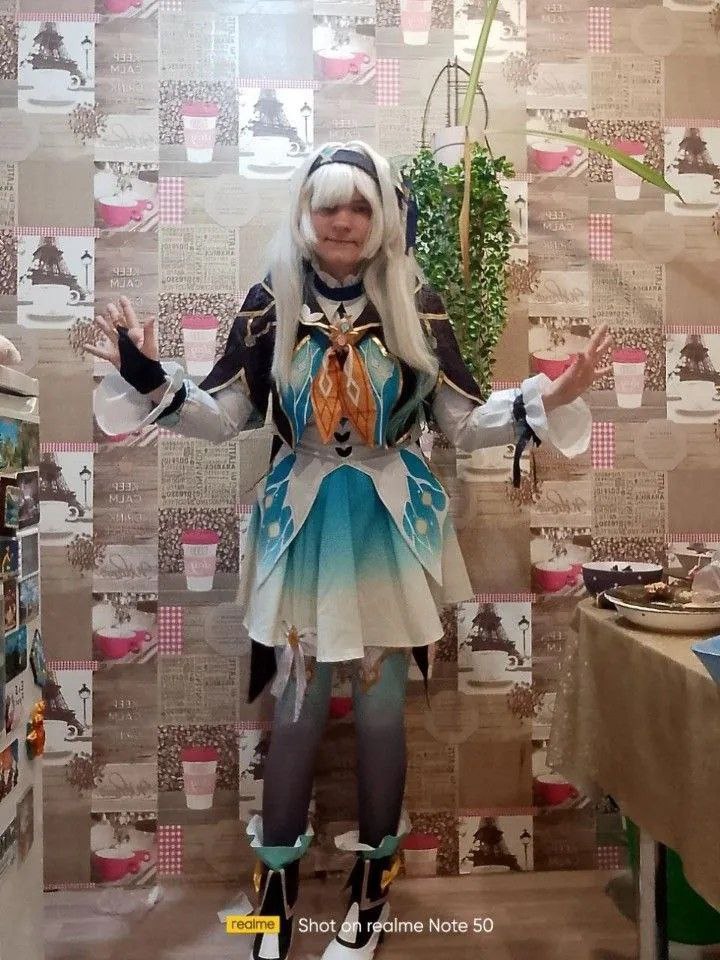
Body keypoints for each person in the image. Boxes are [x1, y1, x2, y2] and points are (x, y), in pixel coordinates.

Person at [86, 140, 612, 960]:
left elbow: (459, 422)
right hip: (300, 526)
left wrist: (546, 399)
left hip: (385, 529)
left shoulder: (415, 303)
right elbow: (224, 417)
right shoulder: (272, 302)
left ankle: (371, 893)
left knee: (378, 715)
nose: (342, 219)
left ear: (381, 217)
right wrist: (147, 374)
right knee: (295, 713)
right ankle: (273, 896)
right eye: (328, 203)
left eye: (359, 205)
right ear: (305, 211)